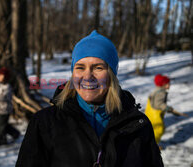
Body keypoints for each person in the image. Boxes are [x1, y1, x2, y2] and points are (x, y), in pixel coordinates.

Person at [16, 30, 163, 167]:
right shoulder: (45, 123)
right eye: (80, 67)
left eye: (98, 68)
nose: (87, 76)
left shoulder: (137, 125)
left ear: (111, 74)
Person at [145, 74, 187, 144]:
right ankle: (153, 145)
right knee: (159, 130)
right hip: (155, 115)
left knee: (152, 129)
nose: (169, 85)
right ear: (163, 84)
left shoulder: (156, 90)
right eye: (168, 83)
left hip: (150, 113)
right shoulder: (161, 93)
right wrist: (169, 109)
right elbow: (159, 104)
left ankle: (151, 143)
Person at [0, 67, 20, 146]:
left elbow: (4, 97)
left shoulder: (8, 87)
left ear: (6, 77)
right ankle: (15, 133)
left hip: (5, 109)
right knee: (3, 125)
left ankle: (2, 140)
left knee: (1, 126)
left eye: (2, 76)